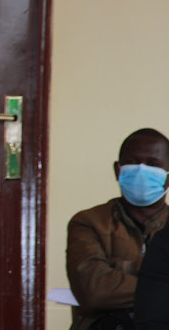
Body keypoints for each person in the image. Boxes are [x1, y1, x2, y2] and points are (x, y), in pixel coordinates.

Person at [66, 128, 169, 330]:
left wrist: (122, 268)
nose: (141, 170)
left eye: (152, 164)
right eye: (132, 162)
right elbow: (94, 292)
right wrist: (158, 278)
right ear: (117, 169)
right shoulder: (88, 222)